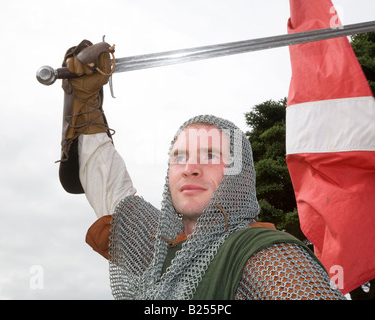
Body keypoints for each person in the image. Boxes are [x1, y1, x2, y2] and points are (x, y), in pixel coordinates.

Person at [58, 40, 346, 300]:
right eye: (179, 157)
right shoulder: (157, 248)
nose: (190, 169)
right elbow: (109, 188)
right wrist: (85, 102)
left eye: (210, 155)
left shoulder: (266, 254)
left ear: (238, 175)